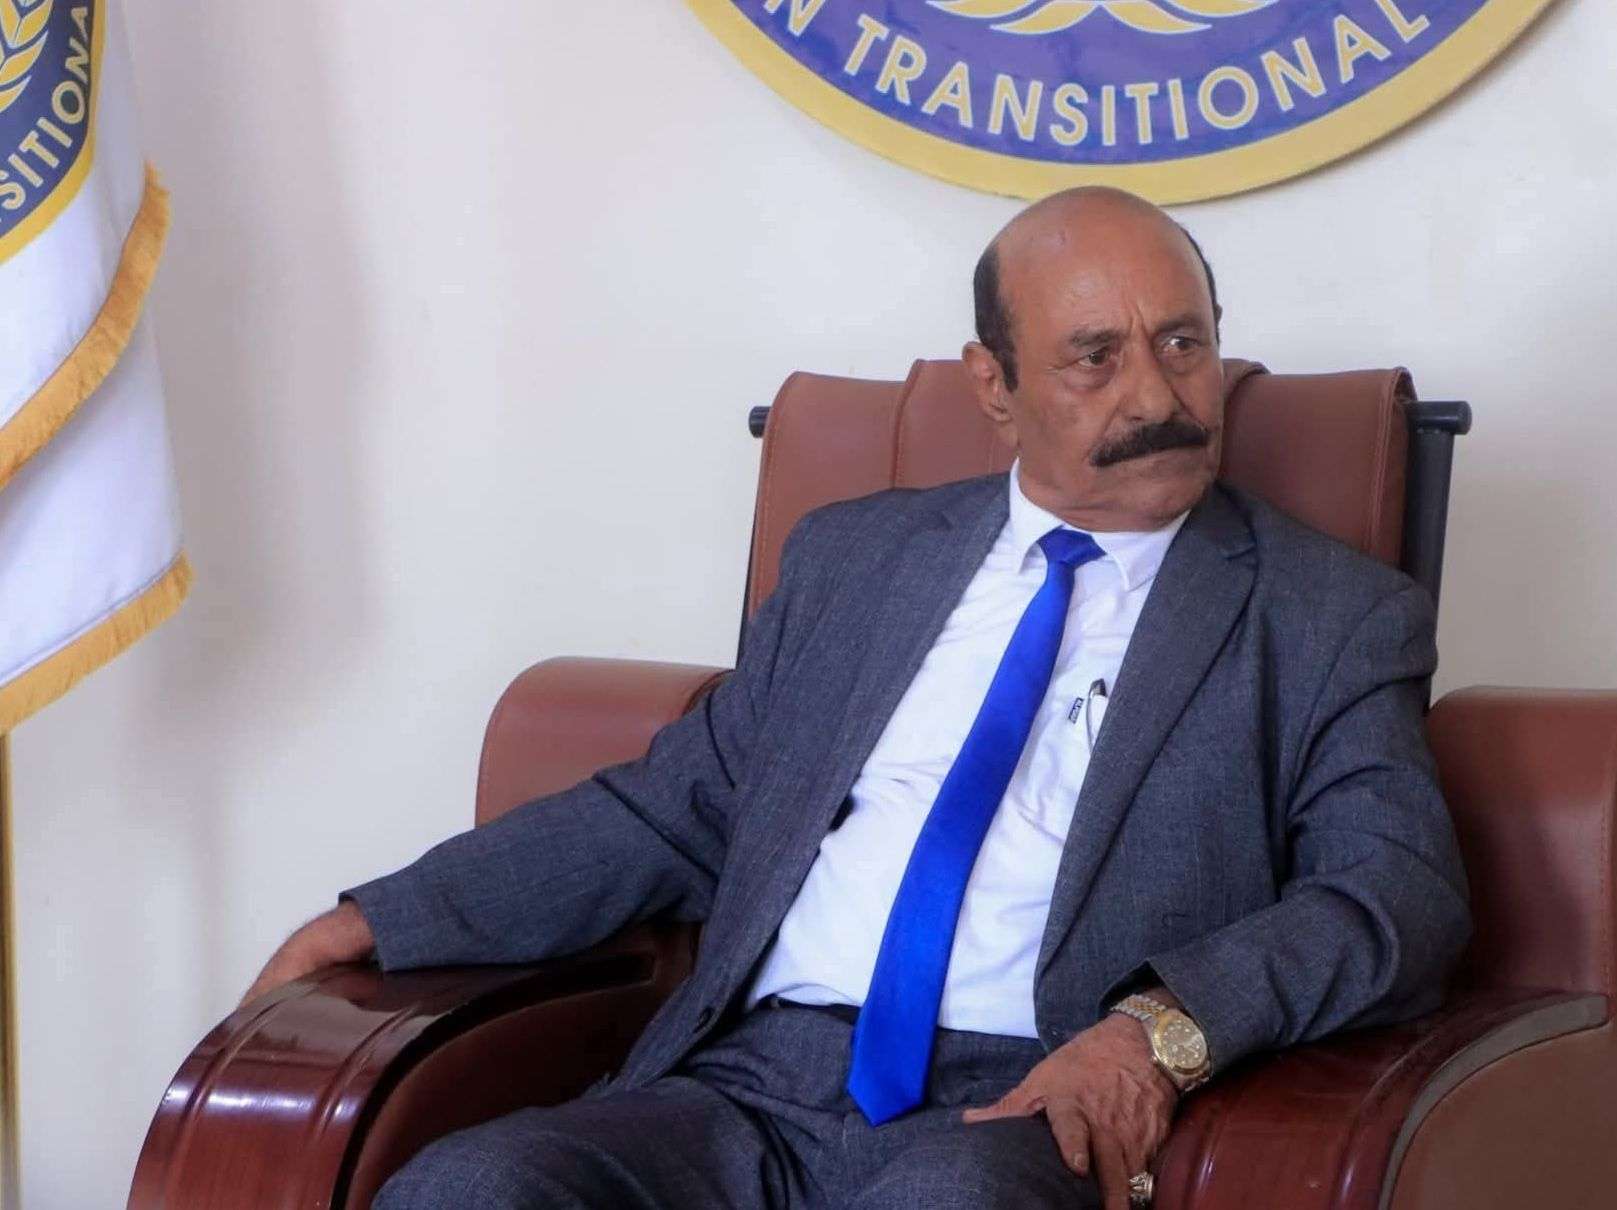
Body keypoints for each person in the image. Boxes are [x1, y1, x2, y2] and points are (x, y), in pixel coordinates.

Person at [243, 186, 1471, 1210]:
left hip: (1015, 1101)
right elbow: (680, 807)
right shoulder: (858, 562)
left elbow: (1394, 891)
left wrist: (1153, 1034)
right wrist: (383, 919)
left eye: (1183, 343)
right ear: (993, 385)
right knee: (472, 1187)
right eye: (1095, 357)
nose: (1154, 397)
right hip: (742, 1083)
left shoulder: (1324, 616)